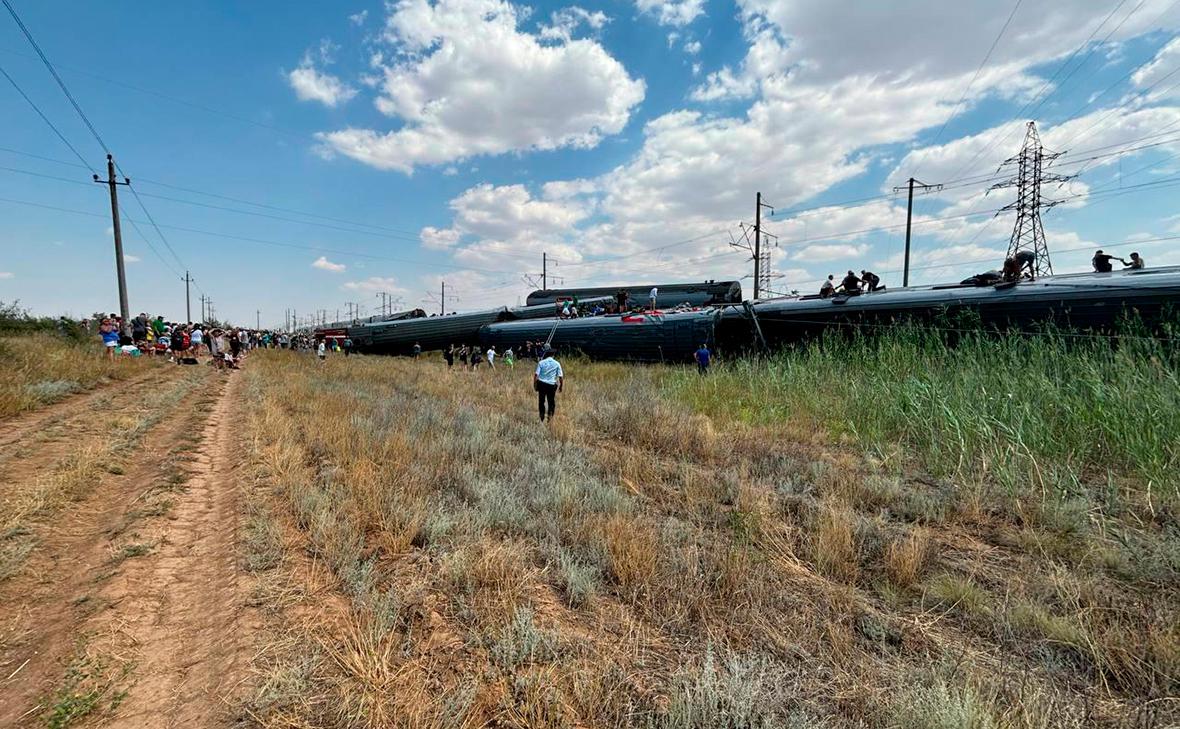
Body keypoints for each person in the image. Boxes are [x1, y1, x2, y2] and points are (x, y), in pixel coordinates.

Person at [534, 348, 564, 422]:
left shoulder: (541, 362)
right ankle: (550, 418)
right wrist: (561, 386)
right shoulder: (557, 363)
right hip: (551, 385)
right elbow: (560, 377)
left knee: (541, 401)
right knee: (551, 402)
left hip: (542, 384)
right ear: (553, 355)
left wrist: (535, 384)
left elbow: (536, 375)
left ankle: (542, 417)